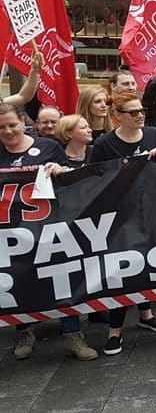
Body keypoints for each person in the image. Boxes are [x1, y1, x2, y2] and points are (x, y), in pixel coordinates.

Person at [0, 103, 98, 361]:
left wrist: (60, 170)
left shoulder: (48, 147)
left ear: (23, 123)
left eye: (12, 125)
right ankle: (24, 332)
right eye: (2, 128)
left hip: (50, 227)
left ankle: (73, 334)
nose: (8, 131)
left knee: (61, 276)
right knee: (18, 276)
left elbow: (70, 180)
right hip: (11, 231)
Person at [90, 92, 156, 355]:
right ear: (117, 117)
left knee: (146, 262)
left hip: (151, 209)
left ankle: (146, 313)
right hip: (119, 214)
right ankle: (115, 330)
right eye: (132, 112)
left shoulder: (154, 135)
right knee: (121, 268)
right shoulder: (104, 144)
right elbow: (95, 178)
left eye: (141, 111)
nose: (139, 116)